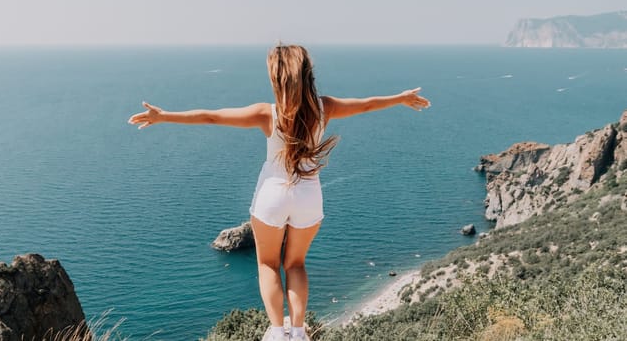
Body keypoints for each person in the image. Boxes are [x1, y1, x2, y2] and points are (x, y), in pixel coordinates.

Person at [129, 44, 430, 341]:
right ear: (307, 75)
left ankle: (277, 331)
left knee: (267, 264)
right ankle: (297, 332)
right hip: (309, 197)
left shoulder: (267, 114)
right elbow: (367, 104)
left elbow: (212, 117)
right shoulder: (325, 108)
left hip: (272, 196)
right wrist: (401, 98)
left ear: (277, 80)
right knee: (295, 264)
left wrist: (164, 115)